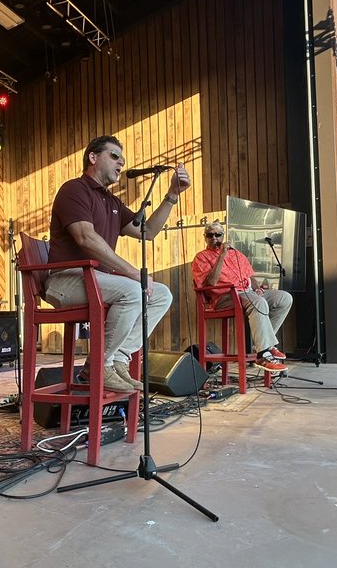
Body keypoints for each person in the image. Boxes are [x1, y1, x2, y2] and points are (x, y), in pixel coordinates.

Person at [45, 135, 190, 392]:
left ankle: (117, 358)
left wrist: (171, 195)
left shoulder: (111, 201)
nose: (121, 162)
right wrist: (134, 273)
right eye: (114, 156)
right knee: (134, 289)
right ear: (93, 157)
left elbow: (147, 232)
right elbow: (86, 238)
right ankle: (98, 367)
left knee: (162, 295)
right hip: (64, 280)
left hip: (93, 279)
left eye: (122, 159)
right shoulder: (74, 189)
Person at [192, 220, 292, 374]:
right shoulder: (201, 257)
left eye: (218, 235)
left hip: (247, 292)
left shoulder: (237, 254)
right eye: (210, 235)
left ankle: (265, 344)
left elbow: (250, 276)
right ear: (205, 237)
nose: (214, 238)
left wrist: (257, 287)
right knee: (257, 301)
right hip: (224, 297)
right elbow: (210, 282)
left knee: (284, 298)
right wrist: (222, 256)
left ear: (223, 236)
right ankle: (263, 354)